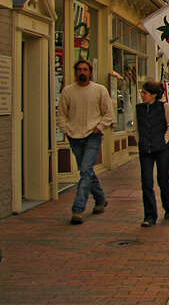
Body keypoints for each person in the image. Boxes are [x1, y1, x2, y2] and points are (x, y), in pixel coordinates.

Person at [56, 59, 113, 225]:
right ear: (75, 73)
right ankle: (100, 199)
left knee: (86, 169)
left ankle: (78, 208)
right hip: (74, 136)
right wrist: (66, 129)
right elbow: (61, 114)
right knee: (85, 170)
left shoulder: (99, 90)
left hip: (93, 134)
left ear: (90, 72)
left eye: (85, 70)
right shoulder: (68, 91)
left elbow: (108, 113)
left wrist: (99, 127)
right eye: (79, 70)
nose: (82, 72)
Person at [136, 80, 169, 227]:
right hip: (145, 150)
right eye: (142, 92)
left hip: (162, 150)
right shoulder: (139, 109)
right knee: (146, 182)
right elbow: (136, 129)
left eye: (145, 93)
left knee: (162, 179)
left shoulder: (164, 107)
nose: (142, 95)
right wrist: (140, 141)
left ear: (153, 95)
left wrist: (163, 141)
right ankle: (150, 215)